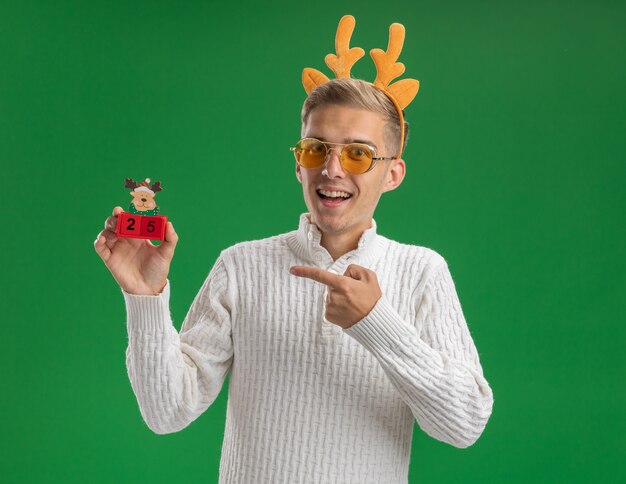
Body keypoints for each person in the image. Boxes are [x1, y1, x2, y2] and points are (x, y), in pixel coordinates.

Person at [94, 16, 493, 484]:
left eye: (359, 154)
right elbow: (167, 412)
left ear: (393, 174)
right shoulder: (241, 266)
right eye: (314, 149)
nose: (333, 169)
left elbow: (464, 424)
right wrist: (145, 298)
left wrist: (376, 323)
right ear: (297, 166)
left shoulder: (421, 270)